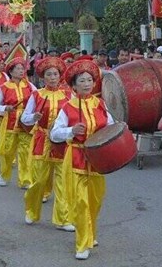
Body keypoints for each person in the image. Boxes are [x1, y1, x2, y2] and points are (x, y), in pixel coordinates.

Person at [50, 59, 115, 260]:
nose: (87, 84)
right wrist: (71, 130)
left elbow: (110, 126)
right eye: (82, 81)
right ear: (74, 85)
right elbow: (54, 134)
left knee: (95, 200)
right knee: (80, 202)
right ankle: (82, 243)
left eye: (89, 80)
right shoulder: (67, 108)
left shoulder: (100, 104)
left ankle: (91, 233)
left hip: (97, 160)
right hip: (76, 157)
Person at [21, 56, 72, 229]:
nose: (52, 77)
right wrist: (33, 117)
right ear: (43, 77)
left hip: (62, 142)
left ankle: (63, 218)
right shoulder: (37, 95)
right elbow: (24, 118)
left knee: (62, 181)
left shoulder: (68, 95)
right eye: (49, 74)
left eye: (55, 74)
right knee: (38, 181)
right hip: (41, 140)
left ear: (60, 76)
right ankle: (31, 212)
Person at [0, 55, 37, 188]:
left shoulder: (29, 86)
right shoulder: (4, 87)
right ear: (11, 71)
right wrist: (5, 107)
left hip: (26, 123)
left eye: (22, 68)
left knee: (25, 151)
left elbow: (38, 98)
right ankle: (4, 174)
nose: (21, 71)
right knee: (7, 151)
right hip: (10, 122)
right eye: (17, 69)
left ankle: (25, 179)